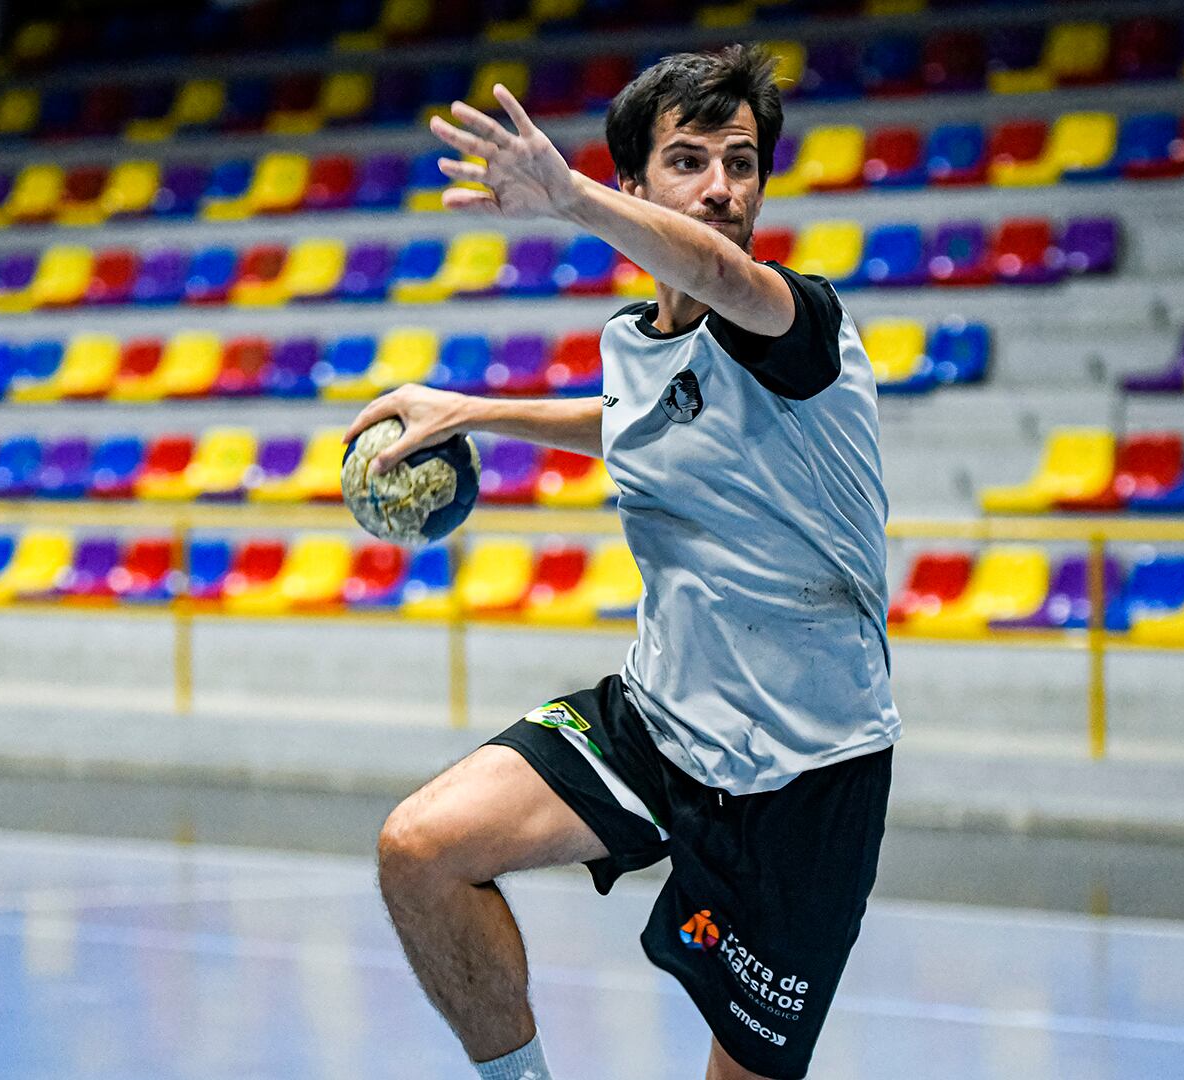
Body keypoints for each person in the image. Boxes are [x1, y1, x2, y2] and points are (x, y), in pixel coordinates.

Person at [348, 45, 899, 1080]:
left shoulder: (796, 322)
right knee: (420, 853)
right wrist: (474, 410)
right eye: (688, 161)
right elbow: (634, 420)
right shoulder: (637, 341)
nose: (722, 187)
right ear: (643, 181)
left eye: (741, 161)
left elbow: (717, 272)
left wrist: (567, 196)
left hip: (807, 777)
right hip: (659, 724)